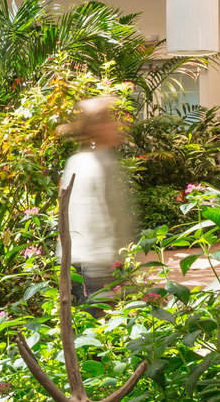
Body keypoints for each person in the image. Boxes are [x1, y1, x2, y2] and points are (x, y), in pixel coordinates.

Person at [59, 97, 136, 314]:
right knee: (108, 328)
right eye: (109, 121)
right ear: (96, 128)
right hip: (100, 264)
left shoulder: (83, 161)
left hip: (88, 261)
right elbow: (101, 222)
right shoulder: (95, 164)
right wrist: (120, 264)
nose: (116, 126)